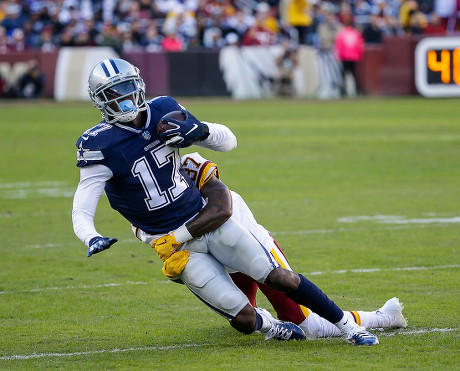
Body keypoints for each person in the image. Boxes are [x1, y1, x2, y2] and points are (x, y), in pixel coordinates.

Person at [72, 58, 379, 345]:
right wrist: (91, 235)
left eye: (128, 87)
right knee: (244, 319)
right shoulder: (99, 143)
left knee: (279, 277)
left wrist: (200, 131)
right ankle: (272, 327)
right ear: (99, 99)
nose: (124, 97)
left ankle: (350, 327)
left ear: (139, 84)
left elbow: (228, 142)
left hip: (207, 221)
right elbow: (83, 205)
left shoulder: (164, 111)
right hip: (179, 248)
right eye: (114, 92)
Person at [165, 152, 408, 339]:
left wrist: (179, 237)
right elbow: (170, 251)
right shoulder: (141, 199)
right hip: (218, 261)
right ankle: (273, 324)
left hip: (248, 247)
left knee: (306, 323)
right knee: (244, 320)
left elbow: (222, 208)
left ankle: (383, 317)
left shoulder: (187, 165)